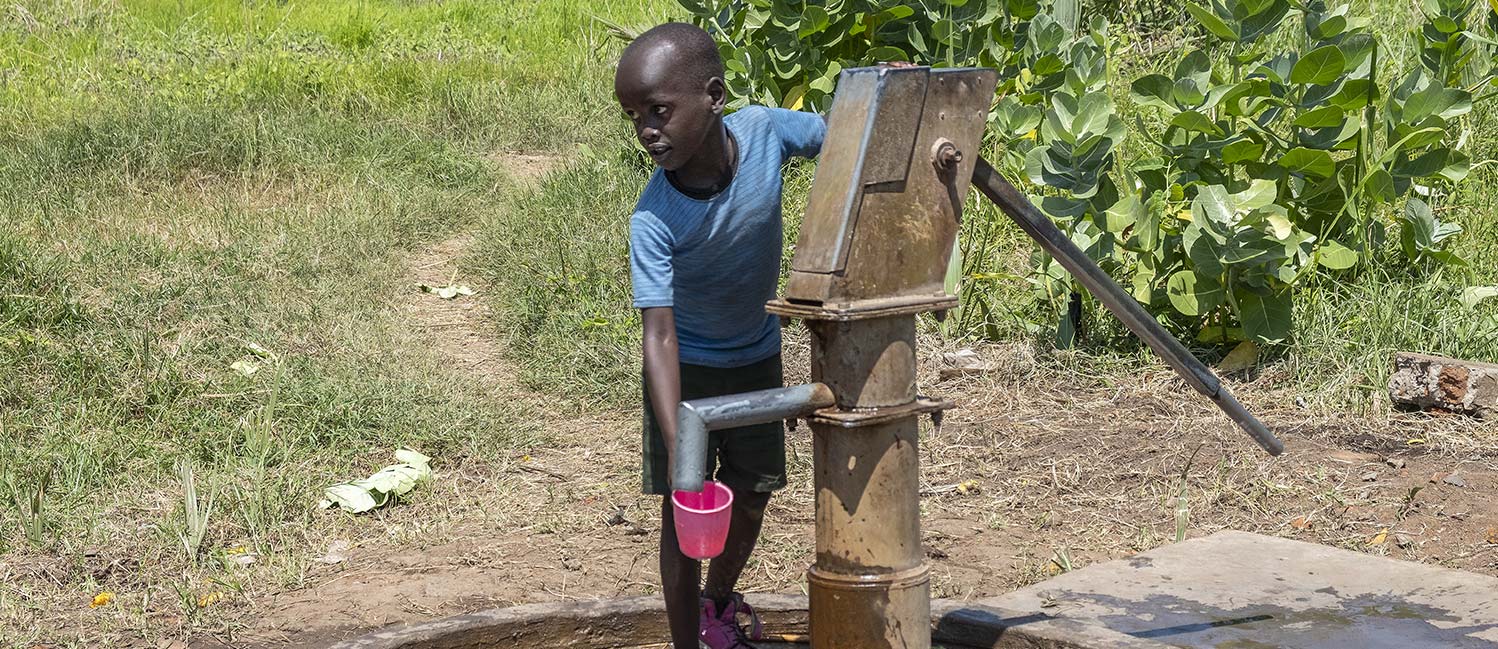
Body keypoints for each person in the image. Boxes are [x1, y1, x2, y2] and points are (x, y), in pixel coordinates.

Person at [615, 21, 825, 649]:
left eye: (659, 110)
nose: (647, 131)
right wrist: (682, 442)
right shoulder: (653, 219)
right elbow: (658, 334)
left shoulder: (766, 132)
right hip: (688, 373)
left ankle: (717, 603)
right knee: (683, 518)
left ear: (712, 95)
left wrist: (884, 92)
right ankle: (685, 643)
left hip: (757, 356)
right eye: (634, 117)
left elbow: (845, 132)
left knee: (753, 493)